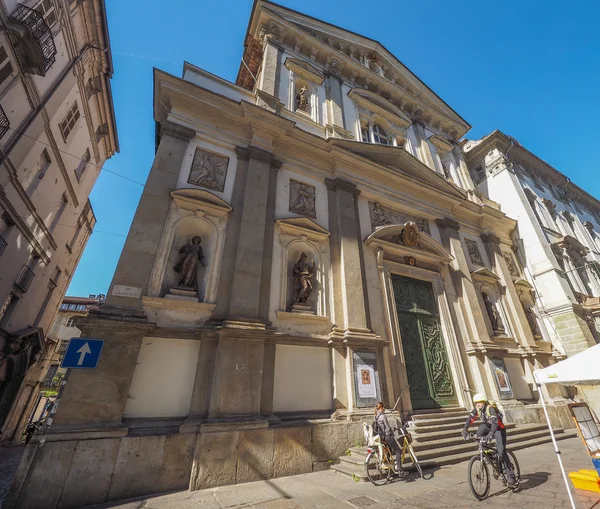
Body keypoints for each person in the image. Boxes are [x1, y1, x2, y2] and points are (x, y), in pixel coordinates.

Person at [461, 393, 516, 486]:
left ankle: (511, 475)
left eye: (479, 402)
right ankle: (488, 454)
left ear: (484, 402)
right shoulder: (477, 409)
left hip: (498, 428)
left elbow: (495, 423)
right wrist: (464, 429)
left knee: (501, 452)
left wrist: (490, 434)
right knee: (479, 431)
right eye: (476, 403)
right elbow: (470, 419)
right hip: (488, 426)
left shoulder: (490, 408)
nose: (477, 404)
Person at [375, 402, 404, 475]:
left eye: (383, 407)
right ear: (379, 408)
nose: (383, 408)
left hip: (382, 437)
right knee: (398, 451)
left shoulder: (376, 416)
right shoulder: (383, 416)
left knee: (389, 449)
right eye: (382, 407)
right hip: (387, 436)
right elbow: (387, 427)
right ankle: (400, 469)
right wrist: (392, 433)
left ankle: (388, 465)